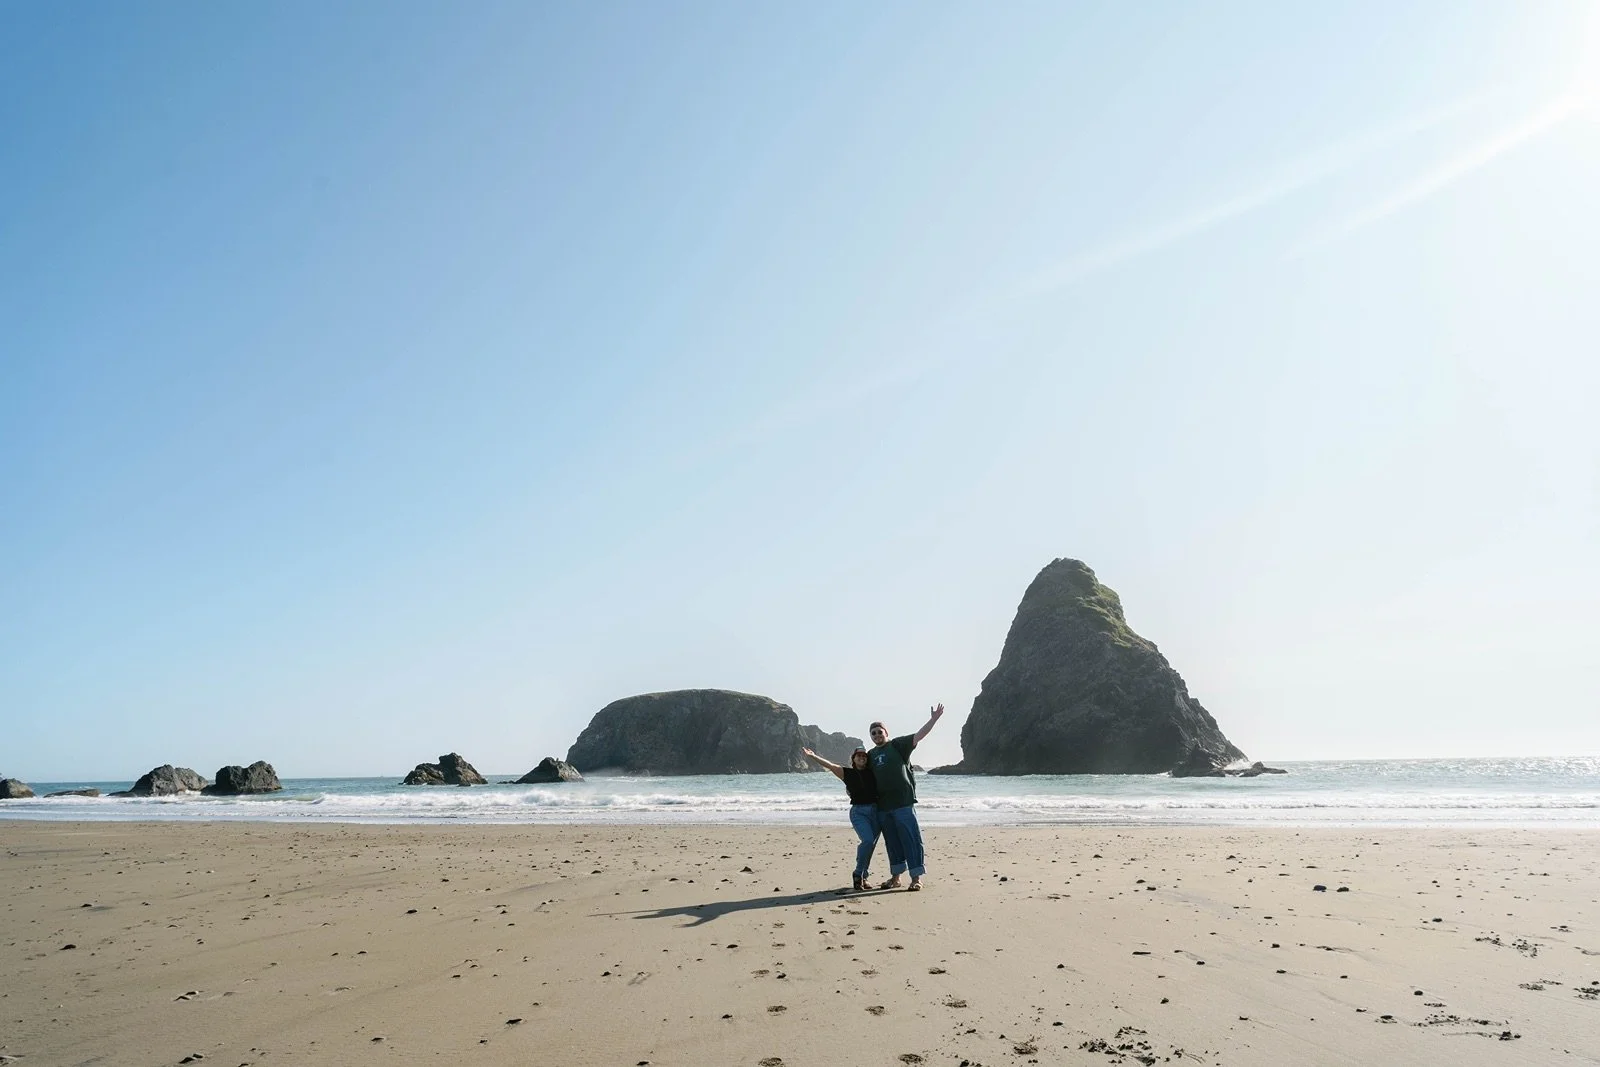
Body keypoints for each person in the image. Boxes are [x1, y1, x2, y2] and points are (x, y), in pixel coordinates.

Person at [867, 703, 944, 891]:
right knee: (892, 843)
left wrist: (933, 719)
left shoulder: (898, 745)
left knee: (911, 839)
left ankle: (916, 878)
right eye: (873, 733)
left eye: (879, 732)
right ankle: (896, 877)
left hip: (903, 803)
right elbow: (862, 777)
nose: (877, 735)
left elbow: (919, 735)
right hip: (883, 807)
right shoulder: (870, 755)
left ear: (886, 732)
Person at [801, 745, 880, 891]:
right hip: (859, 812)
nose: (862, 758)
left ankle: (864, 877)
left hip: (876, 811)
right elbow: (830, 765)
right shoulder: (846, 773)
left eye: (864, 756)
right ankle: (858, 873)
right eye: (859, 756)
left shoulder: (873, 772)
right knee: (868, 841)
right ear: (853, 759)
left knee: (870, 846)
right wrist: (812, 756)